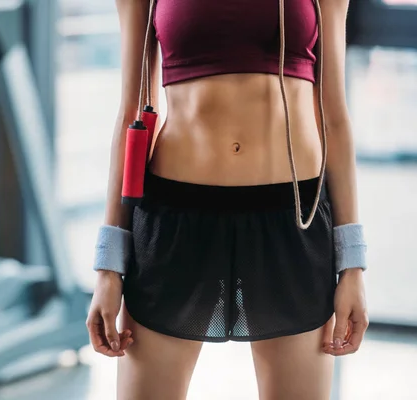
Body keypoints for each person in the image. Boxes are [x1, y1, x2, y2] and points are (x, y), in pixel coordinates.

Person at [87, 0, 369, 399]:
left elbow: (335, 117)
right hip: (176, 222)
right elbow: (129, 112)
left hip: (292, 221)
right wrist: (108, 268)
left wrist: (352, 265)